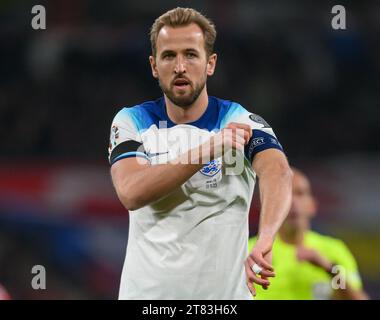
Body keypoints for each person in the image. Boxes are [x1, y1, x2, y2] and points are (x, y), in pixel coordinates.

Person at [108, 7, 292, 300]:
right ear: (154, 65)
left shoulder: (238, 120)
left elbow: (278, 171)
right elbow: (131, 192)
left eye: (191, 54)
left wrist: (267, 237)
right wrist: (207, 150)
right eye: (169, 56)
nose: (180, 66)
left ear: (210, 63)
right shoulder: (132, 121)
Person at [248, 167, 369, 300]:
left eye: (300, 193)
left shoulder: (333, 250)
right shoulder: (251, 251)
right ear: (272, 206)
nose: (293, 201)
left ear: (312, 205)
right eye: (284, 194)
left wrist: (330, 270)